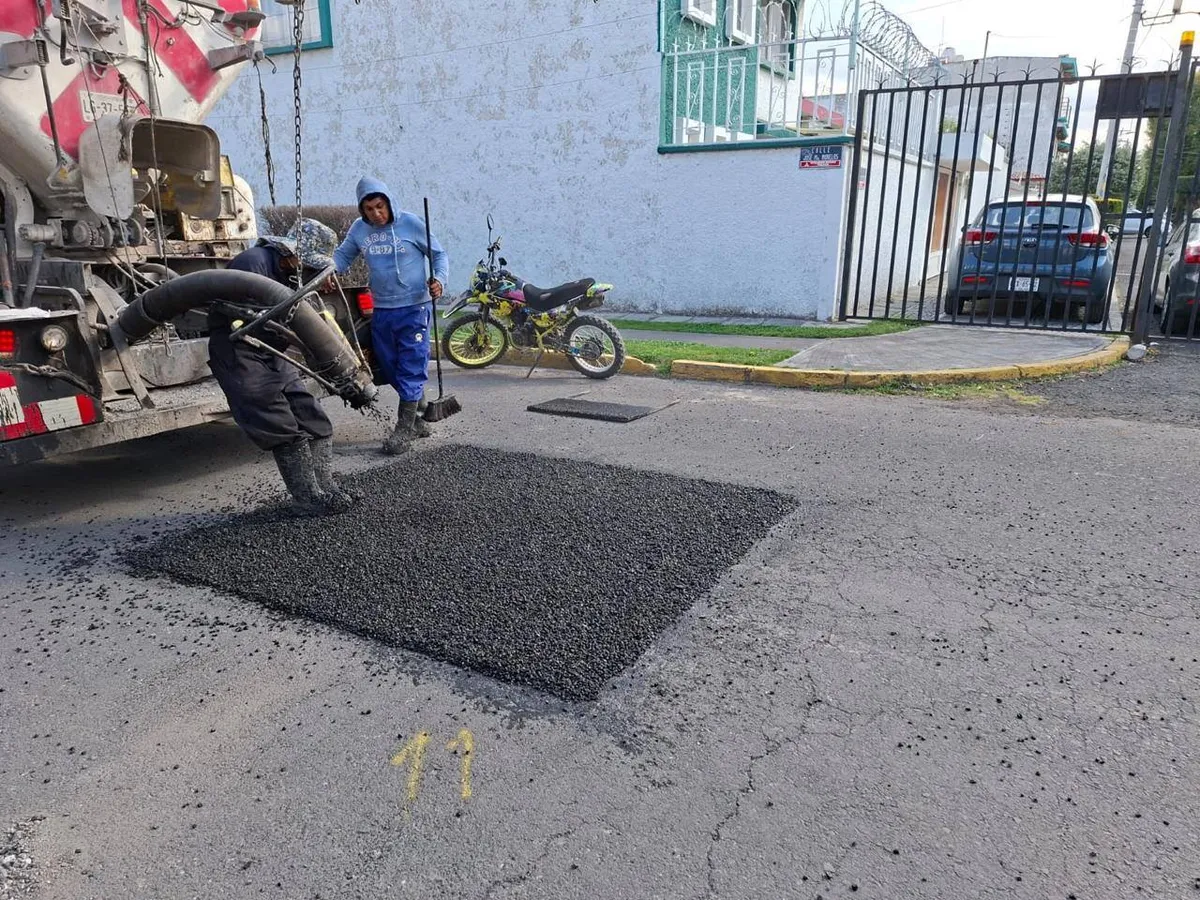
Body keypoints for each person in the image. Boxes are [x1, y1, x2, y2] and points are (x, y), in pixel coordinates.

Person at [207, 218, 356, 516]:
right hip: (240, 351)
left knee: (312, 415)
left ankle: (325, 488)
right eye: (310, 264)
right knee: (279, 423)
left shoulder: (292, 273)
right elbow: (231, 312)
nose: (312, 271)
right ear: (291, 252)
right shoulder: (253, 264)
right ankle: (306, 498)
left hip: (271, 350)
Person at [334, 177, 448, 455]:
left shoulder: (411, 224)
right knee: (389, 366)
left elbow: (439, 254)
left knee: (411, 363)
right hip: (383, 309)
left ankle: (404, 429)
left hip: (414, 308)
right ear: (362, 210)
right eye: (369, 209)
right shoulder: (360, 229)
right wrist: (329, 271)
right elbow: (342, 256)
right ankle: (418, 412)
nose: (376, 213)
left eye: (380, 206)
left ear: (389, 202)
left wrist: (439, 279)